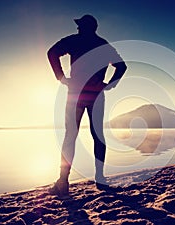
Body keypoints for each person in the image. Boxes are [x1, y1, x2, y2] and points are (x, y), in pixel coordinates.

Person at [47, 14, 127, 198]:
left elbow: (51, 53)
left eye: (80, 25)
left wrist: (60, 77)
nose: (77, 28)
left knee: (70, 136)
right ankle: (100, 179)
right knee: (97, 135)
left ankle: (63, 181)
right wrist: (109, 84)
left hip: (75, 94)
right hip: (96, 95)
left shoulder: (74, 41)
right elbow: (121, 66)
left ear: (85, 27)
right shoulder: (102, 44)